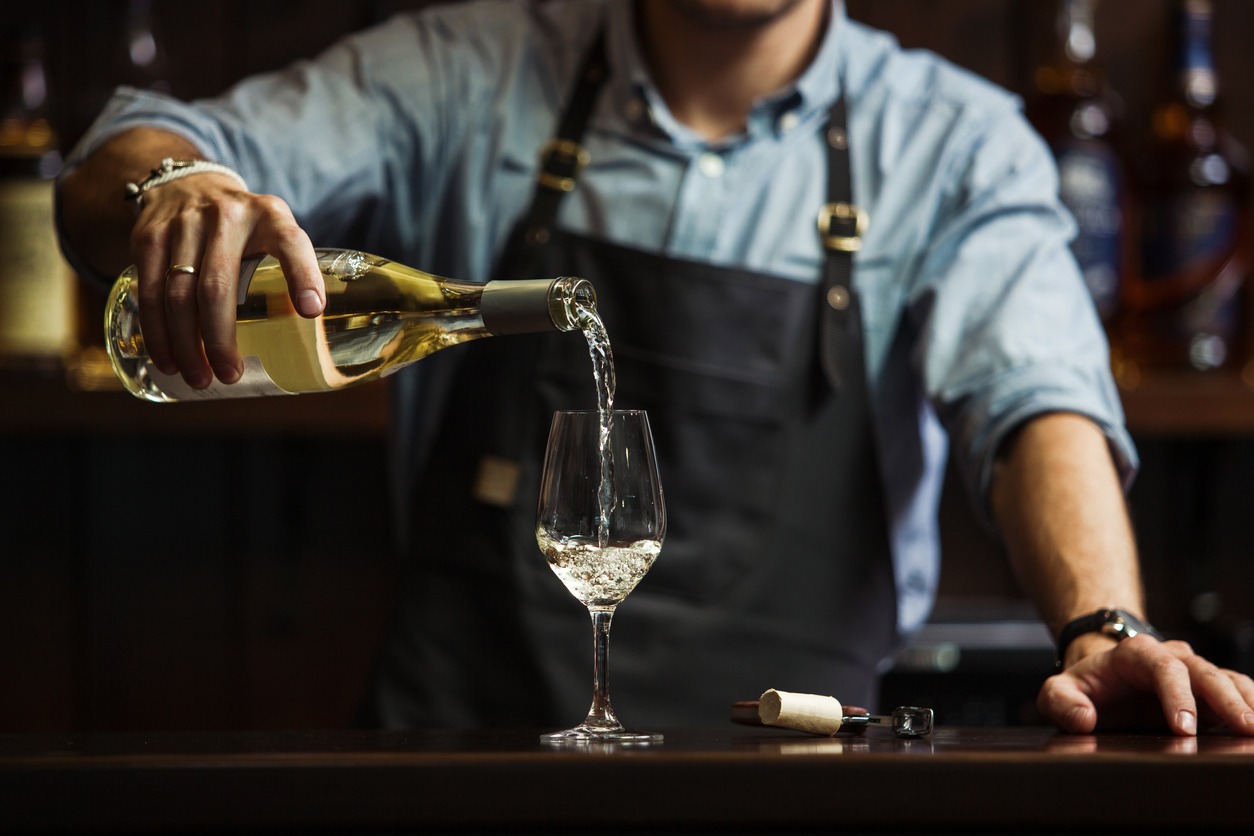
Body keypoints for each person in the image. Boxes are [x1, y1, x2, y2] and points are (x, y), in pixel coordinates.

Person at [57, 0, 1254, 735]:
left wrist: (1103, 628)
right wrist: (179, 190)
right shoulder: (466, 70)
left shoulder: (955, 144)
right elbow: (124, 153)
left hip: (804, 788)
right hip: (455, 774)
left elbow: (1039, 394)